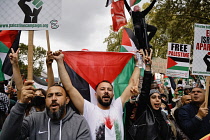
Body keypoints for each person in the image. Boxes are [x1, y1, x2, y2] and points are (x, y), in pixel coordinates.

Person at [53, 50, 140, 140]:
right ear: (95, 94)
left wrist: (138, 63)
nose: (106, 91)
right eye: (102, 89)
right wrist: (60, 62)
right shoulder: (88, 109)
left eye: (109, 89)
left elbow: (131, 85)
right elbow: (69, 88)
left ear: (113, 95)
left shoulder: (118, 106)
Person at [126, 50, 176, 140]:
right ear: (148, 100)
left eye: (159, 97)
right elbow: (145, 91)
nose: (157, 99)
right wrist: (148, 67)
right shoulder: (144, 112)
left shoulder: (163, 115)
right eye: (153, 97)